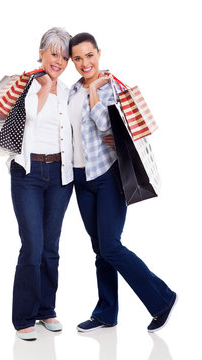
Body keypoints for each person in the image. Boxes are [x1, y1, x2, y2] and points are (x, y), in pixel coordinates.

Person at [68, 32, 177, 333]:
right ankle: (106, 314)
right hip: (81, 178)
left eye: (89, 55)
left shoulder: (111, 87)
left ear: (99, 54)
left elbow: (105, 126)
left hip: (108, 175)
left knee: (112, 246)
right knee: (99, 248)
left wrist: (94, 95)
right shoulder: (72, 91)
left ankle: (162, 298)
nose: (84, 62)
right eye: (77, 58)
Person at [9, 27, 73, 341]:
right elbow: (29, 118)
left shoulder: (70, 90)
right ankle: (24, 316)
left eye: (63, 56)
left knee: (51, 247)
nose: (58, 61)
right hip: (28, 174)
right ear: (42, 52)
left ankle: (46, 309)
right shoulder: (26, 83)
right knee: (32, 244)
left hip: (60, 176)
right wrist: (45, 87)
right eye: (53, 53)